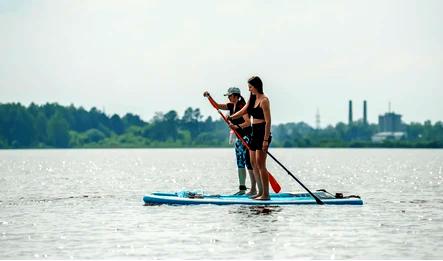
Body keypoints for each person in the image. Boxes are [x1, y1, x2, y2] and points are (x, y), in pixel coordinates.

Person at [203, 87, 257, 195]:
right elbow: (217, 106)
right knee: (240, 163)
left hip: (247, 137)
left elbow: (247, 123)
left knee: (248, 162)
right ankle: (242, 189)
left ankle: (253, 189)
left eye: (230, 95)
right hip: (238, 138)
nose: (228, 97)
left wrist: (236, 126)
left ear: (236, 96)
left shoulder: (242, 106)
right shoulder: (231, 105)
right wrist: (209, 97)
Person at [227, 76, 272, 200]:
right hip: (254, 132)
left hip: (263, 132)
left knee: (260, 164)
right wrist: (231, 118)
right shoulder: (252, 99)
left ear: (256, 86)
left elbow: (268, 122)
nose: (249, 89)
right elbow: (243, 111)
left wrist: (265, 140)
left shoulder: (264, 100)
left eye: (250, 87)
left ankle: (266, 195)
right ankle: (259, 191)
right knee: (253, 163)